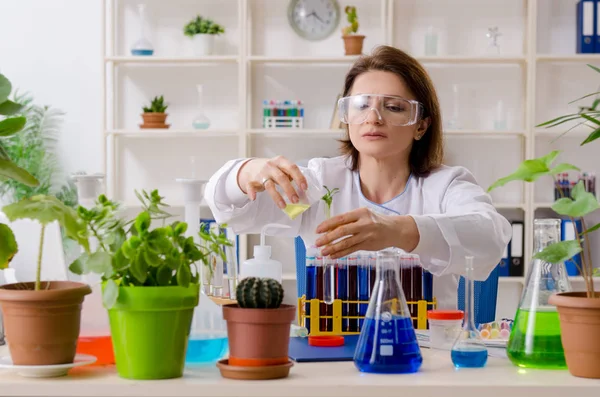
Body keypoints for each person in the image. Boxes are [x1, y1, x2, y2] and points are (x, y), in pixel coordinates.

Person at [204, 45, 512, 309]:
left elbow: (491, 236)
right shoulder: (319, 182)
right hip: (333, 347)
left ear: (421, 125)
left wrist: (400, 231)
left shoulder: (444, 186)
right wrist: (246, 172)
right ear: (346, 116)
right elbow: (227, 209)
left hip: (424, 351)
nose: (373, 117)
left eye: (393, 107)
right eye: (361, 105)